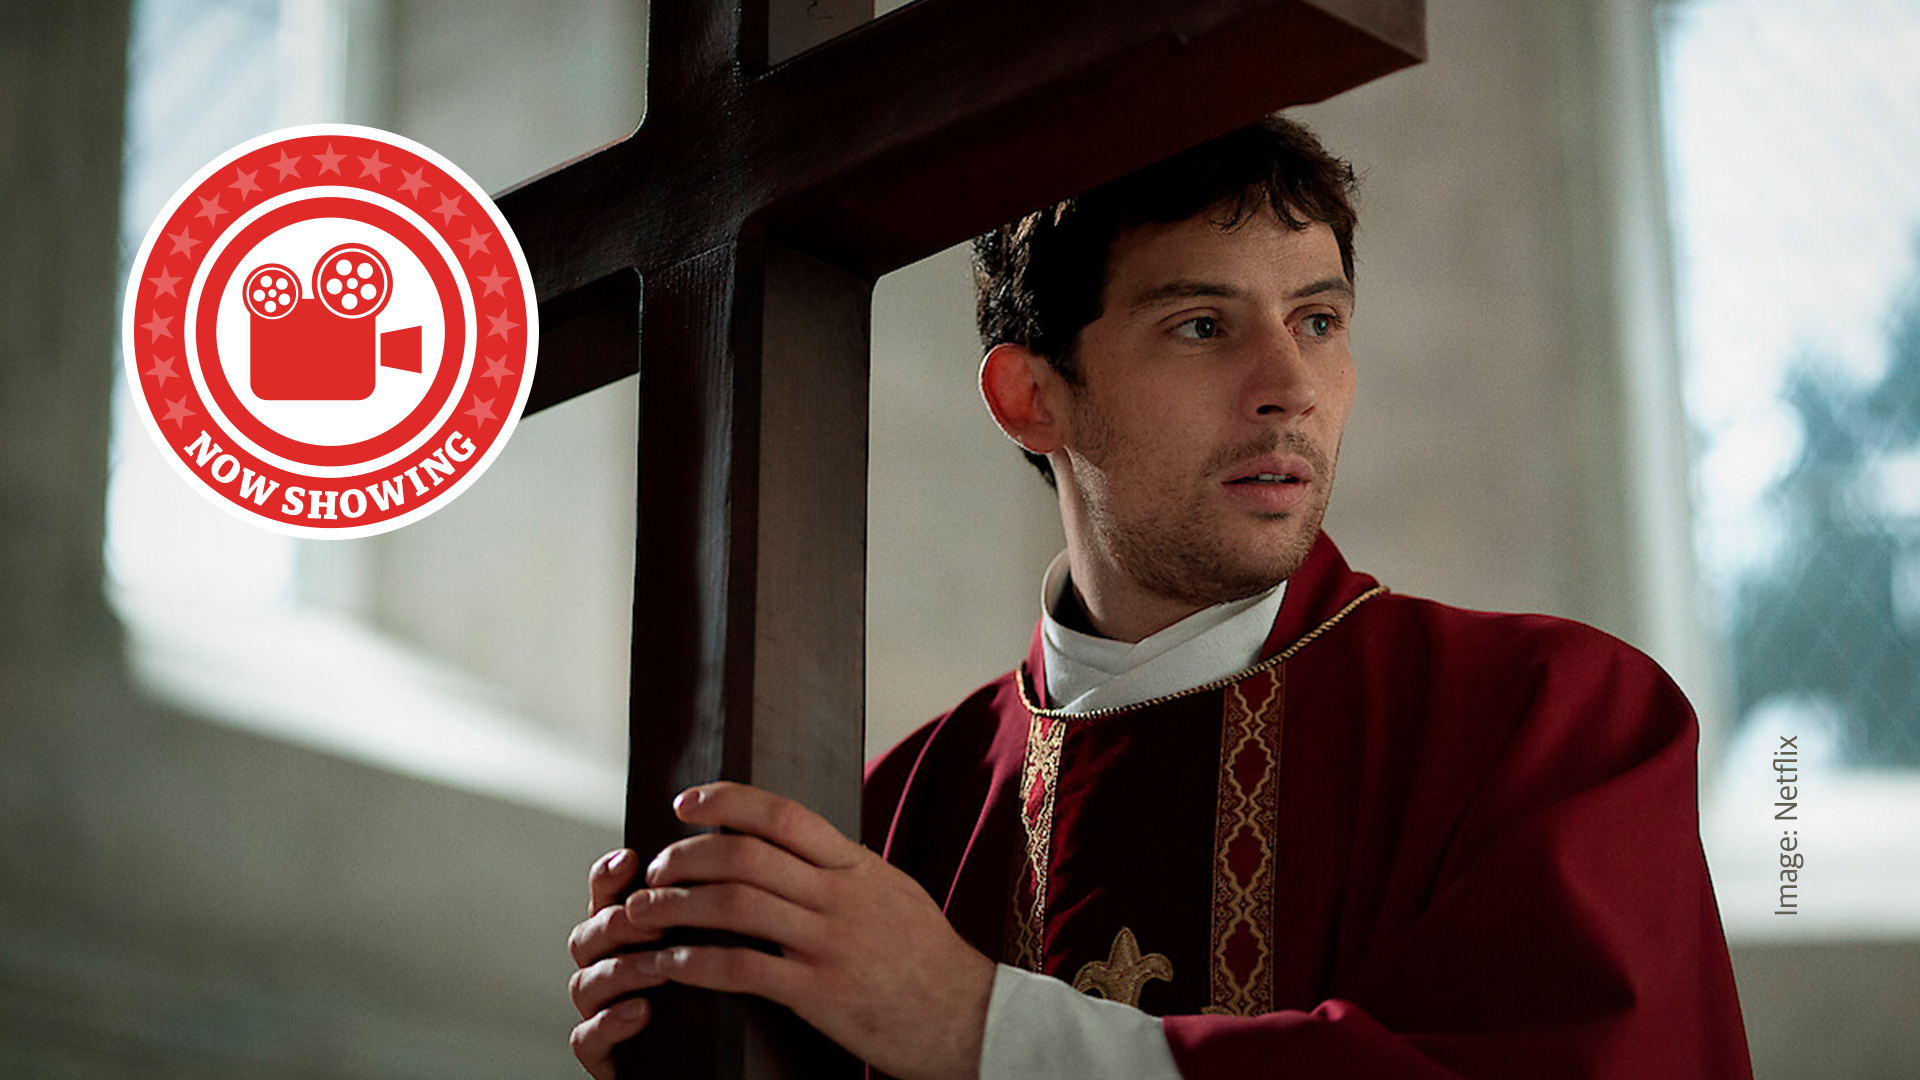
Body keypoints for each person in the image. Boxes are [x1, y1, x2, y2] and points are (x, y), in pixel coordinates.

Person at [564, 115, 1754, 1079]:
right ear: (1032, 396)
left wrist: (977, 1026)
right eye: (1201, 325)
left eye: (1320, 320)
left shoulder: (1553, 721)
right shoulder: (887, 819)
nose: (1289, 387)